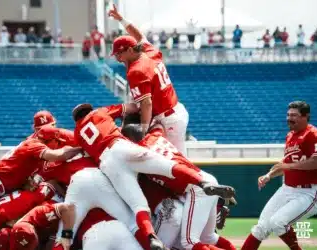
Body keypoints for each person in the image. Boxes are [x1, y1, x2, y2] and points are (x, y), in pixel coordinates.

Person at [72, 103, 233, 250]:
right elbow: (144, 115)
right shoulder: (155, 136)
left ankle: (150, 236)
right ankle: (205, 185)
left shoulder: (77, 134)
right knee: (169, 167)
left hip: (109, 163)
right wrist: (146, 113)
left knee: (141, 208)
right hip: (192, 182)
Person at [122, 123, 236, 250]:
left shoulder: (140, 154)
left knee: (189, 242)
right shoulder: (156, 135)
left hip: (197, 187)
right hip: (206, 180)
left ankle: (218, 205)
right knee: (208, 238)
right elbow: (158, 124)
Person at [241, 101, 317, 250]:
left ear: (306, 116)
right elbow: (285, 163)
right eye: (288, 114)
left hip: (307, 193)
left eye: (294, 115)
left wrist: (288, 166)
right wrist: (269, 175)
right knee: (261, 227)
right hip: (287, 189)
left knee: (278, 222)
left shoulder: (314, 135)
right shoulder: (290, 136)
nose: (289, 118)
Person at [108, 4, 189, 154]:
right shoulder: (149, 51)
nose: (118, 58)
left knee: (175, 163)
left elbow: (146, 103)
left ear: (130, 50)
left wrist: (143, 129)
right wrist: (121, 20)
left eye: (119, 54)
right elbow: (139, 36)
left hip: (169, 119)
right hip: (171, 113)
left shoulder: (136, 70)